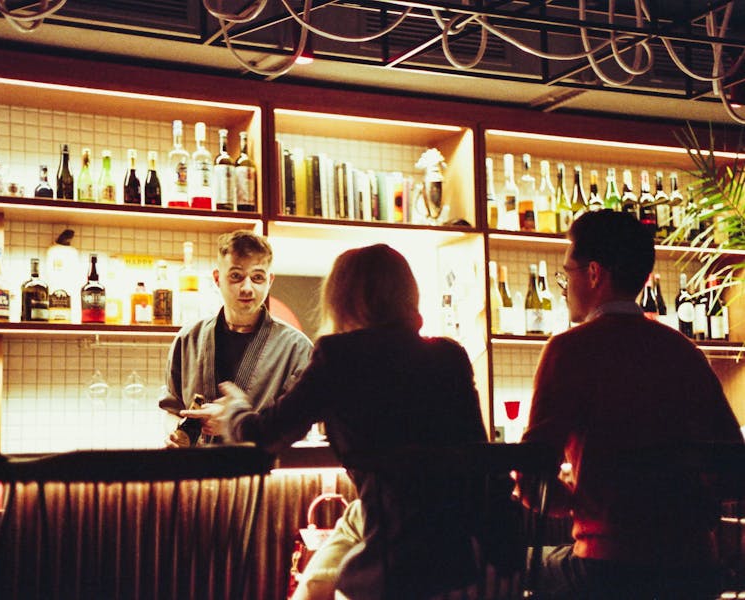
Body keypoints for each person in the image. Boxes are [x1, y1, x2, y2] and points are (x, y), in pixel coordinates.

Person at [182, 243, 491, 599]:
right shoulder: (449, 356)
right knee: (325, 564)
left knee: (322, 573)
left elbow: (266, 436)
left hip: (394, 556)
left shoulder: (340, 356)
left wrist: (234, 410)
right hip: (461, 551)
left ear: (342, 298)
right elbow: (480, 455)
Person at [520, 209, 743, 599]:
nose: (564, 286)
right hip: (695, 570)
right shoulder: (685, 351)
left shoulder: (569, 350)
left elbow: (532, 475)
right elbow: (732, 465)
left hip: (608, 569)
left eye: (566, 274)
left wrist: (579, 499)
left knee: (519, 565)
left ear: (593, 273)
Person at [160, 230, 313, 446]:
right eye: (236, 276)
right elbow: (172, 409)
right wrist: (174, 436)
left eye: (258, 277)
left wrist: (238, 424)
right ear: (217, 279)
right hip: (193, 470)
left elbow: (298, 427)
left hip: (258, 472)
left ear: (269, 281)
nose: (247, 288)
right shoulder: (188, 339)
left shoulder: (297, 348)